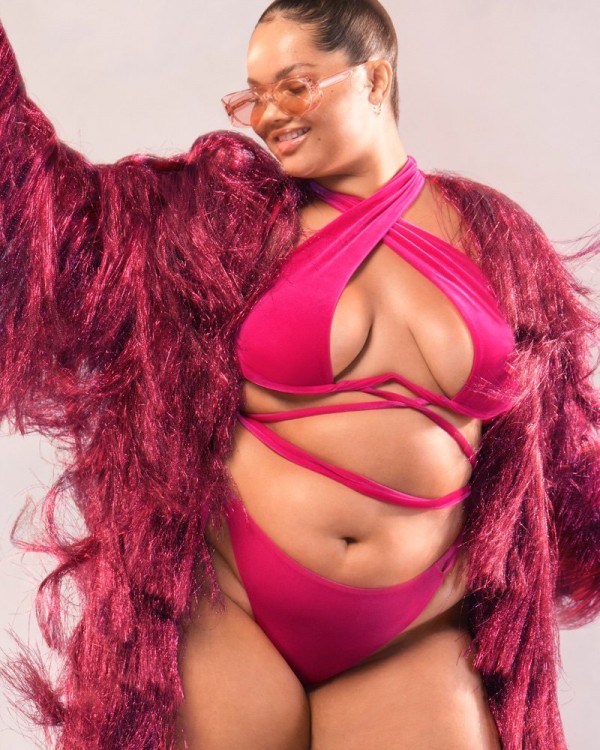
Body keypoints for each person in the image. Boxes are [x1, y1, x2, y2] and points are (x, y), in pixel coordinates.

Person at [0, 2, 598, 749]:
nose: (268, 116)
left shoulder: (497, 237)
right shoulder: (223, 219)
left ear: (374, 80)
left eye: (294, 86)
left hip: (415, 633)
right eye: (253, 96)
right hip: (234, 612)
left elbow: (567, 450)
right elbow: (51, 214)